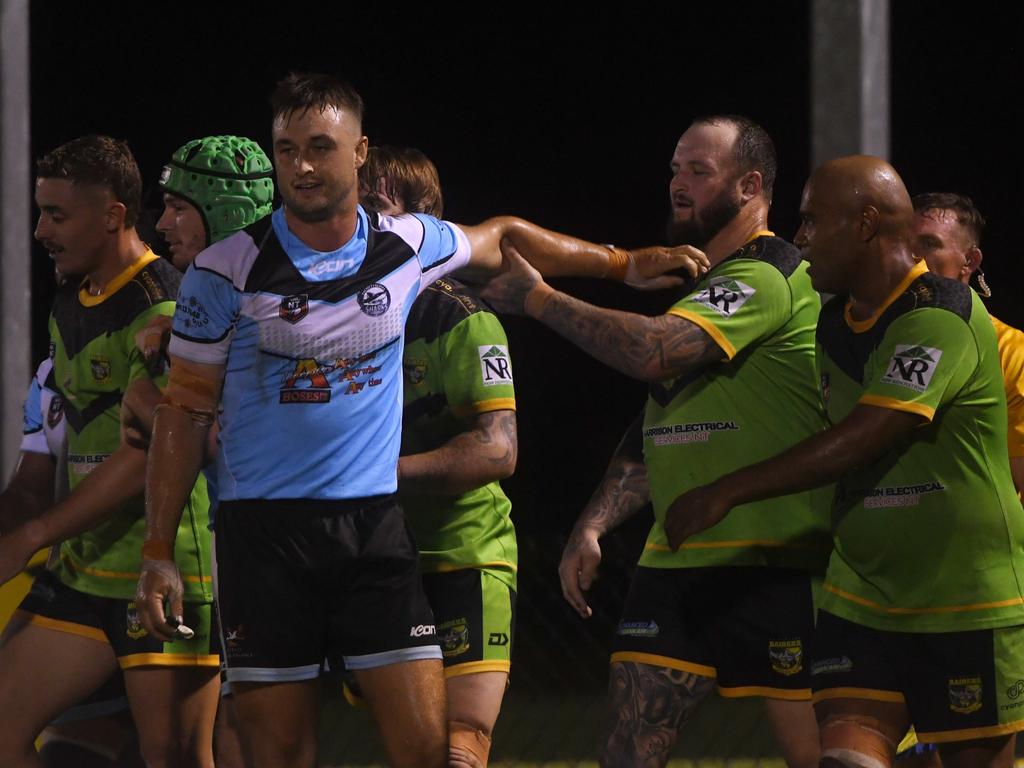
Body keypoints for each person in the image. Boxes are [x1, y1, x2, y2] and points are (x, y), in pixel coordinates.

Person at [134, 72, 704, 768]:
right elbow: (184, 412)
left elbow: (505, 237)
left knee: (431, 753)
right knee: (277, 756)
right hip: (263, 541)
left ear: (360, 152)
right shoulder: (225, 271)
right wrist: (157, 550)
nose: (303, 166)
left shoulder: (407, 243)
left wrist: (623, 264)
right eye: (287, 150)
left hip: (374, 532)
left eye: (321, 146)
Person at [484, 115, 828, 768]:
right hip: (678, 559)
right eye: (675, 167)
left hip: (778, 560)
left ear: (751, 185)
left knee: (822, 757)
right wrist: (594, 523)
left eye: (700, 170)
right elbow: (663, 419)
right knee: (627, 753)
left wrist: (539, 300)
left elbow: (655, 352)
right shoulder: (703, 291)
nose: (679, 183)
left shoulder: (768, 273)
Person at [666, 156, 1024, 768]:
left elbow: (866, 434)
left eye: (811, 221)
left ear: (863, 225)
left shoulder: (941, 315)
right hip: (861, 594)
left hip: (964, 596)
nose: (799, 236)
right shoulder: (832, 324)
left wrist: (724, 490)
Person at [0, 135, 218, 768]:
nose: (40, 229)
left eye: (57, 215)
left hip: (165, 568)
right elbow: (37, 471)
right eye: (40, 212)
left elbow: (148, 455)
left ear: (114, 216)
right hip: (84, 566)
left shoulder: (165, 305)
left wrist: (34, 533)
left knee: (177, 757)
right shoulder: (71, 299)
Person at [360, 146, 517, 768]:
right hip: (373, 559)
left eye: (377, 205)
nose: (364, 223)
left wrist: (372, 474)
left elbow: (498, 450)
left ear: (424, 224)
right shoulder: (346, 314)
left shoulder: (461, 318)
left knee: (460, 742)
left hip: (462, 556)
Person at [911, 192, 1024, 492]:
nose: (911, 255)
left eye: (929, 244)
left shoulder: (1012, 351)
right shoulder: (872, 339)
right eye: (904, 242)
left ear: (969, 261)